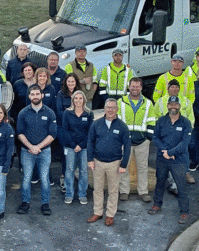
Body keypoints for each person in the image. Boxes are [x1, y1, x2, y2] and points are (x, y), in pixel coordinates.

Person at [87, 98, 131, 227]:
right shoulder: (96, 124)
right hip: (98, 162)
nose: (110, 110)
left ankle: (110, 215)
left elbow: (127, 146)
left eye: (113, 107)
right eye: (108, 107)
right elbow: (90, 142)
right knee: (98, 189)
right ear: (104, 109)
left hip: (115, 163)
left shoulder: (122, 126)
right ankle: (98, 212)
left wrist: (124, 164)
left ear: (116, 109)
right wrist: (90, 160)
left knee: (113, 190)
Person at [149, 95, 193, 223]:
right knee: (160, 182)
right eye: (171, 104)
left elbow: (185, 143)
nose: (173, 107)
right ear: (167, 106)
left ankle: (184, 212)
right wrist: (165, 152)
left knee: (181, 186)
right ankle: (157, 204)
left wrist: (171, 152)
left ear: (179, 106)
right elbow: (155, 138)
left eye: (176, 104)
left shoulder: (186, 122)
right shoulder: (161, 121)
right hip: (162, 158)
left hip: (178, 159)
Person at [16, 85, 57, 216]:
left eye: (37, 94)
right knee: (26, 178)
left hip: (44, 151)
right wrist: (30, 147)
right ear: (29, 96)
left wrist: (38, 147)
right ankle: (25, 202)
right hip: (27, 152)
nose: (35, 96)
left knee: (44, 178)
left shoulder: (50, 113)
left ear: (42, 95)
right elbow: (20, 133)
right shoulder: (23, 113)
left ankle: (45, 204)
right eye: (32, 94)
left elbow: (52, 134)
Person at [120, 77, 157, 202]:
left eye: (137, 86)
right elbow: (117, 121)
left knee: (143, 167)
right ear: (128, 87)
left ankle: (143, 192)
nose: (135, 88)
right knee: (123, 166)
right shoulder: (121, 102)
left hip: (142, 141)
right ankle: (124, 191)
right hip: (125, 141)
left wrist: (148, 138)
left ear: (141, 88)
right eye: (132, 86)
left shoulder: (148, 103)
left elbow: (152, 121)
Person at [60, 90, 92, 205]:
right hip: (70, 146)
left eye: (80, 98)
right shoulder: (67, 113)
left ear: (84, 100)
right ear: (72, 100)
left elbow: (90, 132)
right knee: (69, 170)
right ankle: (69, 194)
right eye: (76, 98)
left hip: (84, 147)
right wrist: (74, 145)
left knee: (84, 171)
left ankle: (82, 194)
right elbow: (65, 130)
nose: (78, 101)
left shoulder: (89, 113)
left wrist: (81, 145)